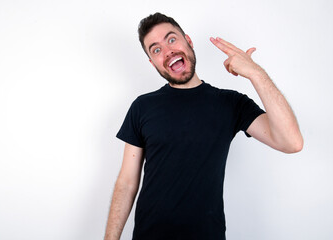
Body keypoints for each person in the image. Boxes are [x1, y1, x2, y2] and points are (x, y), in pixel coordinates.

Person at [104, 12, 303, 240]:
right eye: (156, 49)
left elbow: (292, 142)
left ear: (188, 41)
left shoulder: (231, 103)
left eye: (171, 39)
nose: (167, 51)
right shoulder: (142, 107)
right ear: (152, 62)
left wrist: (255, 74)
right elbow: (127, 182)